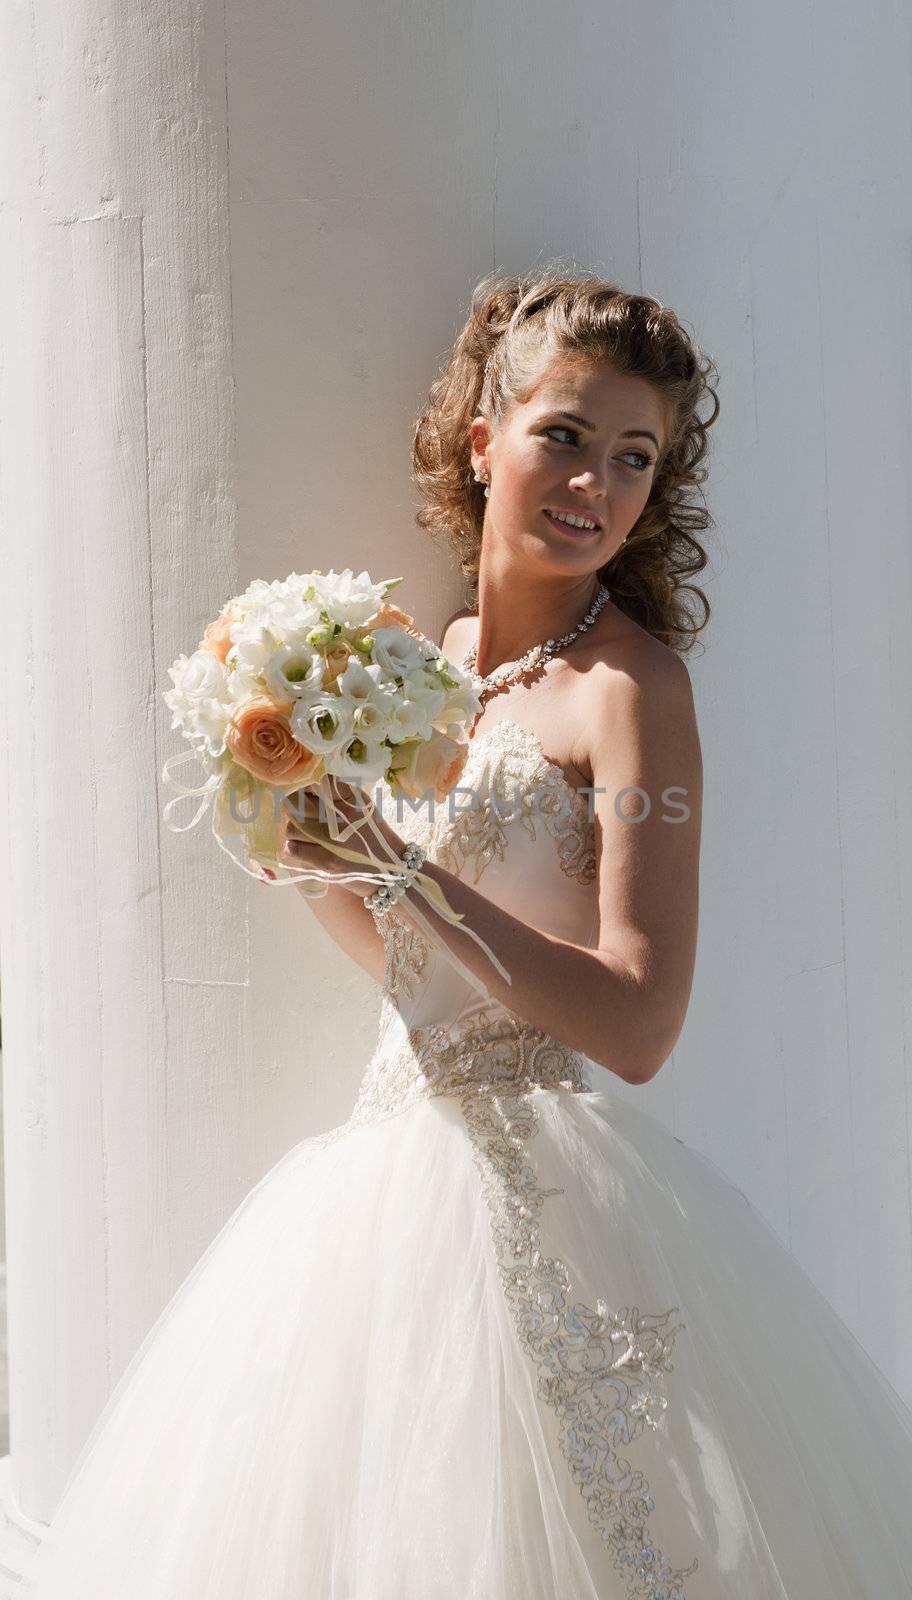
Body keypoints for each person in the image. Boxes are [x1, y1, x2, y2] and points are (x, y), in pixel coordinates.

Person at [26, 267, 912, 1599]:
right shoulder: (410, 665)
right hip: (381, 1172)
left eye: (635, 456)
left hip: (554, 1181)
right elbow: (411, 960)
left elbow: (639, 1020)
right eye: (566, 434)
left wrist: (401, 870)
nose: (596, 483)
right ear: (481, 435)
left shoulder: (631, 690)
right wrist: (304, 839)